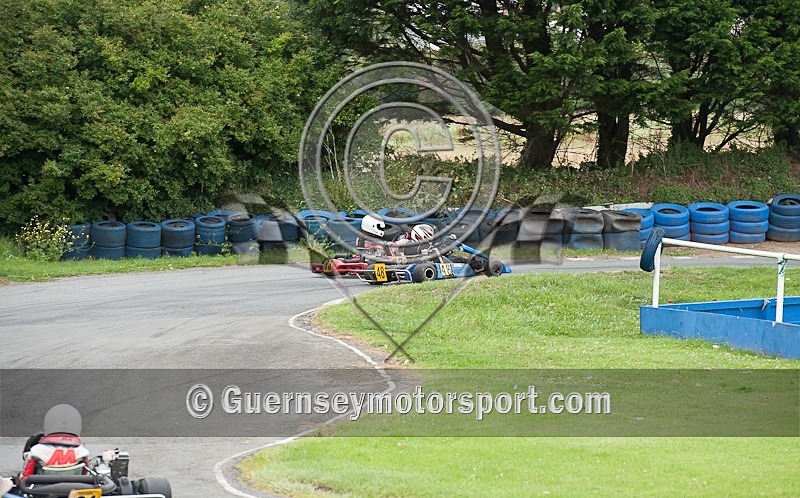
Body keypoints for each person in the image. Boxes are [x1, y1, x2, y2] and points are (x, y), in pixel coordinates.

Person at [19, 404, 90, 479]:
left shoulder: (37, 451)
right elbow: (86, 476)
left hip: (42, 489)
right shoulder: (82, 452)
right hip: (74, 488)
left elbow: (25, 478)